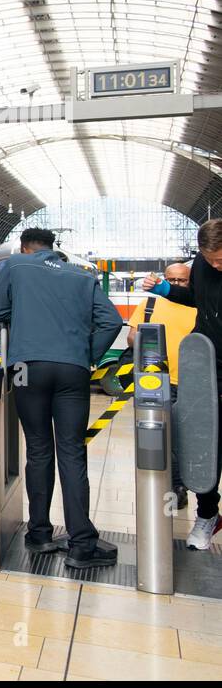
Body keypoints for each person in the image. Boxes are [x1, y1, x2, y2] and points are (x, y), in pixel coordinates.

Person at [0, 228, 122, 568]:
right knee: (72, 452)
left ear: (24, 248)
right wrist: (85, 353)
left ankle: (39, 534)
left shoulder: (15, 266)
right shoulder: (82, 276)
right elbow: (112, 320)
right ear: (54, 249)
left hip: (26, 366)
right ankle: (81, 544)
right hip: (72, 370)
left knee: (37, 448)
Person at [142, 225, 222, 549]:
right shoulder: (201, 266)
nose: (216, 266)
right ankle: (207, 515)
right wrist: (165, 289)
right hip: (205, 365)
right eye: (210, 260)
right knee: (203, 444)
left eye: (220, 259)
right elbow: (196, 299)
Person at [128, 261, 194, 510]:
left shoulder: (198, 305)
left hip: (190, 382)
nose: (176, 285)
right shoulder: (150, 303)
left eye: (182, 280)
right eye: (171, 280)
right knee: (160, 436)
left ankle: (180, 485)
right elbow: (132, 336)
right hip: (156, 382)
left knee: (183, 439)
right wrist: (146, 344)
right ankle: (173, 486)